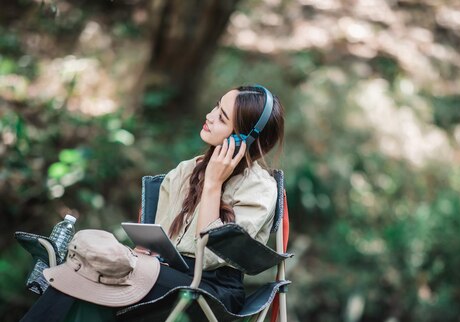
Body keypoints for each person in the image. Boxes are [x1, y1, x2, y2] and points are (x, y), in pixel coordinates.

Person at [21, 84, 285, 321]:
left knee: (96, 273)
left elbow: (210, 255)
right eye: (216, 106)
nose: (209, 116)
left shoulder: (259, 188)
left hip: (212, 291)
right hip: (164, 272)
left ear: (244, 138)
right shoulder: (186, 170)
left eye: (222, 117)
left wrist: (214, 183)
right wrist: (147, 249)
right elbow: (162, 239)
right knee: (91, 273)